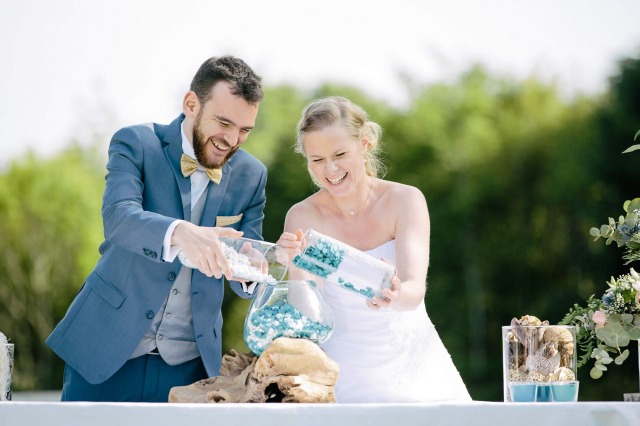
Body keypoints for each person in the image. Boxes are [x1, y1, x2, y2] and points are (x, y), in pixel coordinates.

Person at [46, 55, 267, 402]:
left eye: (244, 130)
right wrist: (182, 232)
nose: (232, 139)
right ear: (191, 103)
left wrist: (254, 270)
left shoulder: (252, 175)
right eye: (223, 123)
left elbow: (248, 260)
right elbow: (119, 218)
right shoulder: (136, 143)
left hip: (191, 368)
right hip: (105, 353)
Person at [277, 96, 471, 403]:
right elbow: (308, 320)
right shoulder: (302, 217)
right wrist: (294, 265)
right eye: (317, 159)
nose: (330, 169)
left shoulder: (405, 201)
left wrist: (395, 295)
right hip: (343, 377)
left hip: (415, 372)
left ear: (365, 143)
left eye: (340, 154)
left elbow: (413, 292)